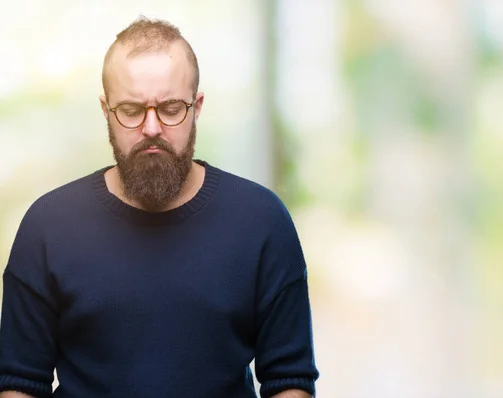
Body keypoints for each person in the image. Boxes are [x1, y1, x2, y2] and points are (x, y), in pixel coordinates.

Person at [0, 16, 319, 398]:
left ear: (197, 106)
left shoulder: (262, 221)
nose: (151, 128)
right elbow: (20, 384)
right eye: (132, 110)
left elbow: (290, 380)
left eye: (170, 108)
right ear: (106, 110)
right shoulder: (48, 227)